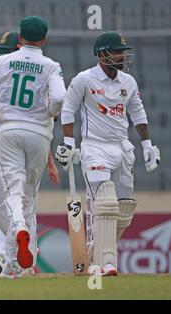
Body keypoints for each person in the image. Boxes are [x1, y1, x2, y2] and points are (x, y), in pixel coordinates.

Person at [55, 31, 160, 276]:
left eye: (122, 51)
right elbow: (68, 109)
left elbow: (138, 113)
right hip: (95, 147)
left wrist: (147, 145)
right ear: (102, 54)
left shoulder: (128, 82)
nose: (122, 56)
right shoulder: (84, 79)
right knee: (104, 203)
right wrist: (69, 143)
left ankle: (96, 254)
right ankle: (106, 263)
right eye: (116, 51)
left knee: (122, 210)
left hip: (123, 147)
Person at [0, 16, 66, 278]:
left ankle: (15, 251)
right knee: (29, 196)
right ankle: (15, 265)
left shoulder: (2, 61)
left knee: (13, 192)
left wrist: (6, 107)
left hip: (8, 130)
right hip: (38, 133)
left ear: (20, 39)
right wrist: (48, 111)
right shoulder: (51, 65)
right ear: (44, 40)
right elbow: (59, 98)